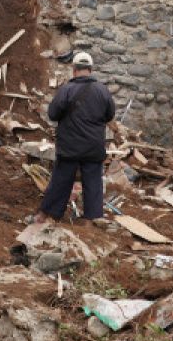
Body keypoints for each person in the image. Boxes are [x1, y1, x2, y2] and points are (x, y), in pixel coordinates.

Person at [33, 53, 115, 226]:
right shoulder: (102, 90)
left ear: (74, 69)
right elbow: (110, 115)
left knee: (61, 180)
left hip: (69, 146)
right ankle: (91, 219)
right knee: (93, 181)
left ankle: (49, 214)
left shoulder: (66, 90)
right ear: (90, 70)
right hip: (93, 146)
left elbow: (53, 114)